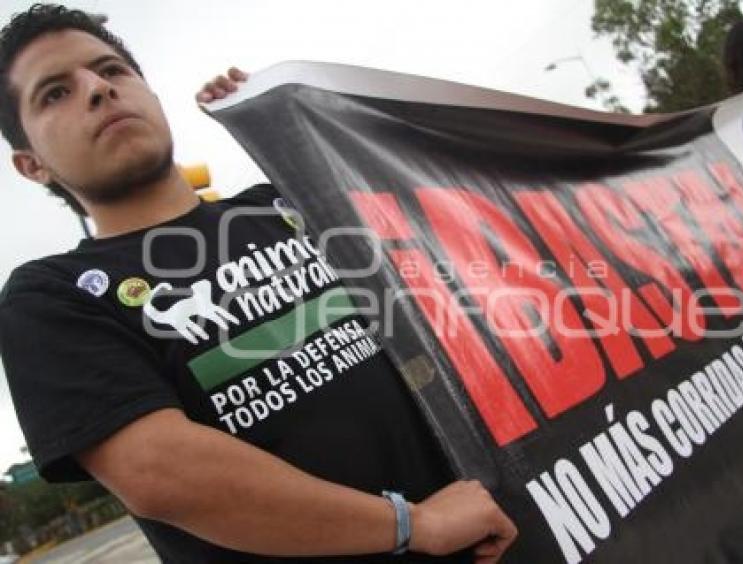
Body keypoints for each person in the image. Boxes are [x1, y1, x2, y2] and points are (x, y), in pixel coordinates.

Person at [0, 4, 517, 563]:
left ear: (150, 93)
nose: (97, 89)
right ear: (31, 164)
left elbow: (441, 239)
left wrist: (275, 122)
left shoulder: (288, 203)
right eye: (55, 93)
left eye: (112, 71)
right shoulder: (51, 297)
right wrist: (412, 524)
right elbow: (162, 473)